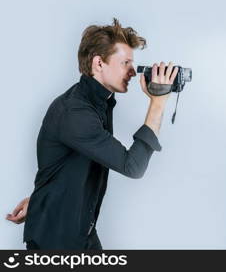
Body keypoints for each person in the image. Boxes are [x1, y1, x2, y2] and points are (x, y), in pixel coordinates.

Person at [6, 18, 178, 250]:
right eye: (125, 62)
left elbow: (66, 163)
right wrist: (158, 103)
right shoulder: (75, 112)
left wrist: (40, 201)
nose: (132, 71)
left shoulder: (100, 102)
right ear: (99, 63)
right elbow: (133, 166)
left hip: (81, 234)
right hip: (56, 242)